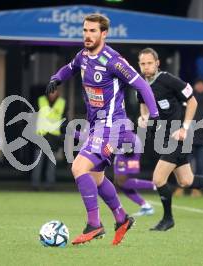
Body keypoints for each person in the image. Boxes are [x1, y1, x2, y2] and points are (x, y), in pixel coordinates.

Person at [46, 14, 159, 245]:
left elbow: (140, 84)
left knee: (79, 167)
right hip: (97, 126)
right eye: (85, 30)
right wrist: (57, 78)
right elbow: (70, 68)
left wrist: (154, 114)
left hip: (113, 127)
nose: (87, 35)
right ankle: (121, 217)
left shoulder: (114, 61)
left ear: (104, 33)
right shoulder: (83, 56)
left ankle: (94, 224)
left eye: (93, 31)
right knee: (96, 178)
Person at [136, 47, 203, 231]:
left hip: (178, 136)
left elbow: (192, 101)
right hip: (163, 136)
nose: (146, 67)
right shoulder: (140, 85)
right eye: (142, 64)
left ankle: (167, 219)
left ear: (157, 63)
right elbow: (144, 108)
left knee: (158, 178)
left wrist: (184, 128)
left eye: (149, 63)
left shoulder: (168, 80)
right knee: (186, 180)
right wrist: (143, 118)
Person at [31, 89, 66, 190]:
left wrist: (63, 135)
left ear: (57, 92)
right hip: (41, 136)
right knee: (38, 162)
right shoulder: (40, 101)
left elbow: (64, 120)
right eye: (51, 91)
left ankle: (49, 184)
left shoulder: (62, 103)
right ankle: (35, 184)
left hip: (54, 138)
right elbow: (33, 117)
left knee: (51, 164)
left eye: (54, 91)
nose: (52, 93)